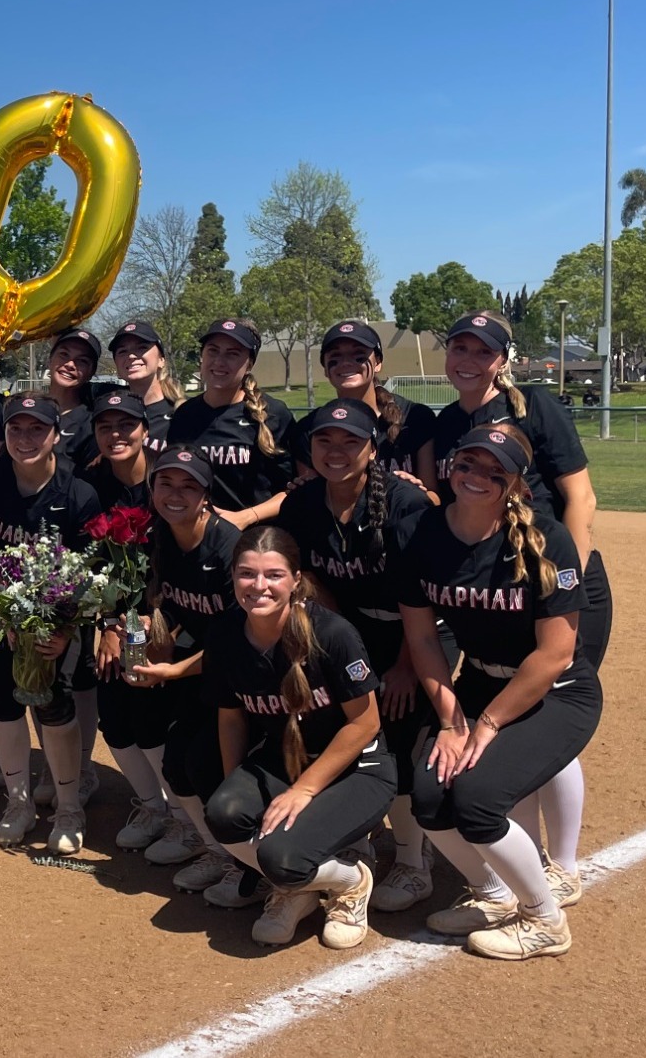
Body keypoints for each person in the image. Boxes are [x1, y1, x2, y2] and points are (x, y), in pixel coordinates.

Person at [397, 424, 602, 960]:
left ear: (514, 483)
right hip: (477, 684)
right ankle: (493, 894)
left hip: (555, 691)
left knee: (478, 801)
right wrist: (450, 720)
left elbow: (555, 654)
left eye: (495, 471)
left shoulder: (547, 539)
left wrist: (485, 724)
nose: (476, 477)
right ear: (450, 467)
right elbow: (421, 635)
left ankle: (543, 919)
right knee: (429, 796)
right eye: (467, 464)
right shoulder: (424, 534)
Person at [434, 311, 608, 891]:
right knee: (516, 717)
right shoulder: (442, 425)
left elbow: (578, 495)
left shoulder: (533, 405)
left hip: (557, 581)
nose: (466, 359)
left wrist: (567, 582)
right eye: (458, 347)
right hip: (494, 586)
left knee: (543, 712)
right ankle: (527, 853)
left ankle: (563, 864)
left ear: (501, 360)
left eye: (480, 351)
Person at [274, 399, 435, 912]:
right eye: (325, 441)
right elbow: (311, 578)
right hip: (350, 629)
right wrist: (333, 642)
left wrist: (407, 665)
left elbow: (424, 596)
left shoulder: (406, 505)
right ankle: (355, 838)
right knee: (340, 730)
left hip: (414, 631)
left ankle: (413, 861)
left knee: (401, 732)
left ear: (373, 448)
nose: (336, 451)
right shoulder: (300, 505)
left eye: (350, 442)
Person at [200, 526, 393, 949]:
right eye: (247, 574)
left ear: (295, 579)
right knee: (223, 815)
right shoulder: (225, 634)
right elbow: (230, 717)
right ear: (232, 577)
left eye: (273, 575)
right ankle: (299, 887)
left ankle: (351, 880)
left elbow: (365, 724)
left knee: (279, 857)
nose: (259, 586)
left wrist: (303, 791)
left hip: (358, 767)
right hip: (283, 757)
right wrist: (237, 786)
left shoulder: (332, 634)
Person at [127, 448, 258, 903]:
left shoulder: (228, 546)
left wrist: (177, 668)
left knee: (206, 765)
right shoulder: (161, 534)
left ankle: (250, 867)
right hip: (205, 666)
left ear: (206, 495)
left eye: (189, 486)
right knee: (177, 765)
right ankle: (218, 851)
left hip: (248, 673)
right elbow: (172, 607)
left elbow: (240, 637)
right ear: (153, 489)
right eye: (166, 484)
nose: (175, 494)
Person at [0, 395, 103, 853]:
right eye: (16, 430)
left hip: (58, 622)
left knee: (53, 705)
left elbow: (90, 574)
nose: (25, 439)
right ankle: (19, 802)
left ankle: (68, 806)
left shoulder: (78, 494)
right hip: (0, 614)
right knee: (3, 706)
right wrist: (4, 608)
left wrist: (64, 629)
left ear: (55, 435)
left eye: (36, 430)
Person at [82, 391, 176, 852]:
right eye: (105, 427)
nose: (116, 435)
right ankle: (150, 804)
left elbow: (173, 563)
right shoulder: (93, 484)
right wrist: (108, 624)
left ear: (145, 429)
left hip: (160, 616)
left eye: (126, 425)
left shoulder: (167, 482)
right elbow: (87, 564)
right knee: (114, 718)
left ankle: (180, 815)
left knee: (147, 710)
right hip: (115, 618)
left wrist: (129, 628)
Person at [166, 318, 297, 529]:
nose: (219, 361)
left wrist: (245, 518)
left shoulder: (272, 414)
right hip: (198, 536)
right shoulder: (184, 416)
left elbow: (293, 489)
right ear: (202, 356)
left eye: (232, 354)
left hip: (256, 540)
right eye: (213, 351)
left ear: (249, 364)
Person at [293, 320, 436, 480]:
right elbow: (308, 496)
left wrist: (413, 492)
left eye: (359, 355)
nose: (346, 362)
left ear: (378, 363)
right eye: (336, 356)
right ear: (325, 369)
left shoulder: (415, 417)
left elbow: (433, 497)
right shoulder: (309, 429)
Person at [108, 320, 180, 453]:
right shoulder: (108, 409)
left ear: (161, 360)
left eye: (142, 348)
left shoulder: (181, 411)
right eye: (122, 351)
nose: (131, 356)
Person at [42, 327, 101, 465]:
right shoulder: (26, 407)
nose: (70, 364)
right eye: (64, 354)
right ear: (50, 360)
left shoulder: (91, 424)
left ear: (91, 372)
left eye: (82, 361)